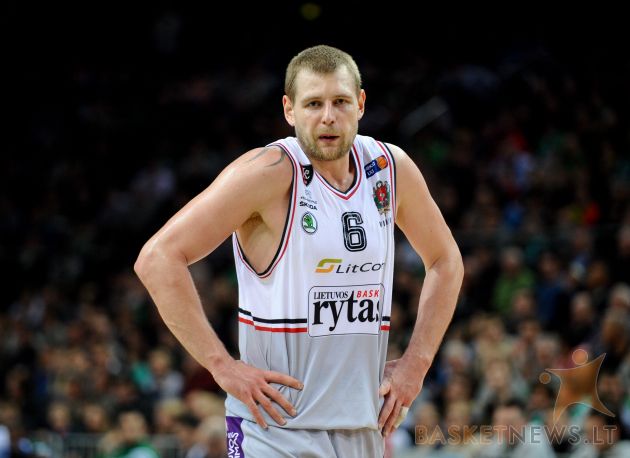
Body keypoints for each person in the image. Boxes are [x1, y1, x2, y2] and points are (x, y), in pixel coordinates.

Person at [134, 44, 464, 457]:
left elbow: (446, 261)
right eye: (313, 104)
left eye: (340, 101)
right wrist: (222, 366)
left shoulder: (388, 168)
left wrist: (417, 363)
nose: (328, 116)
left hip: (362, 427)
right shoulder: (268, 172)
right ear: (289, 110)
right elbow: (157, 258)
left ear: (361, 104)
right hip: (274, 431)